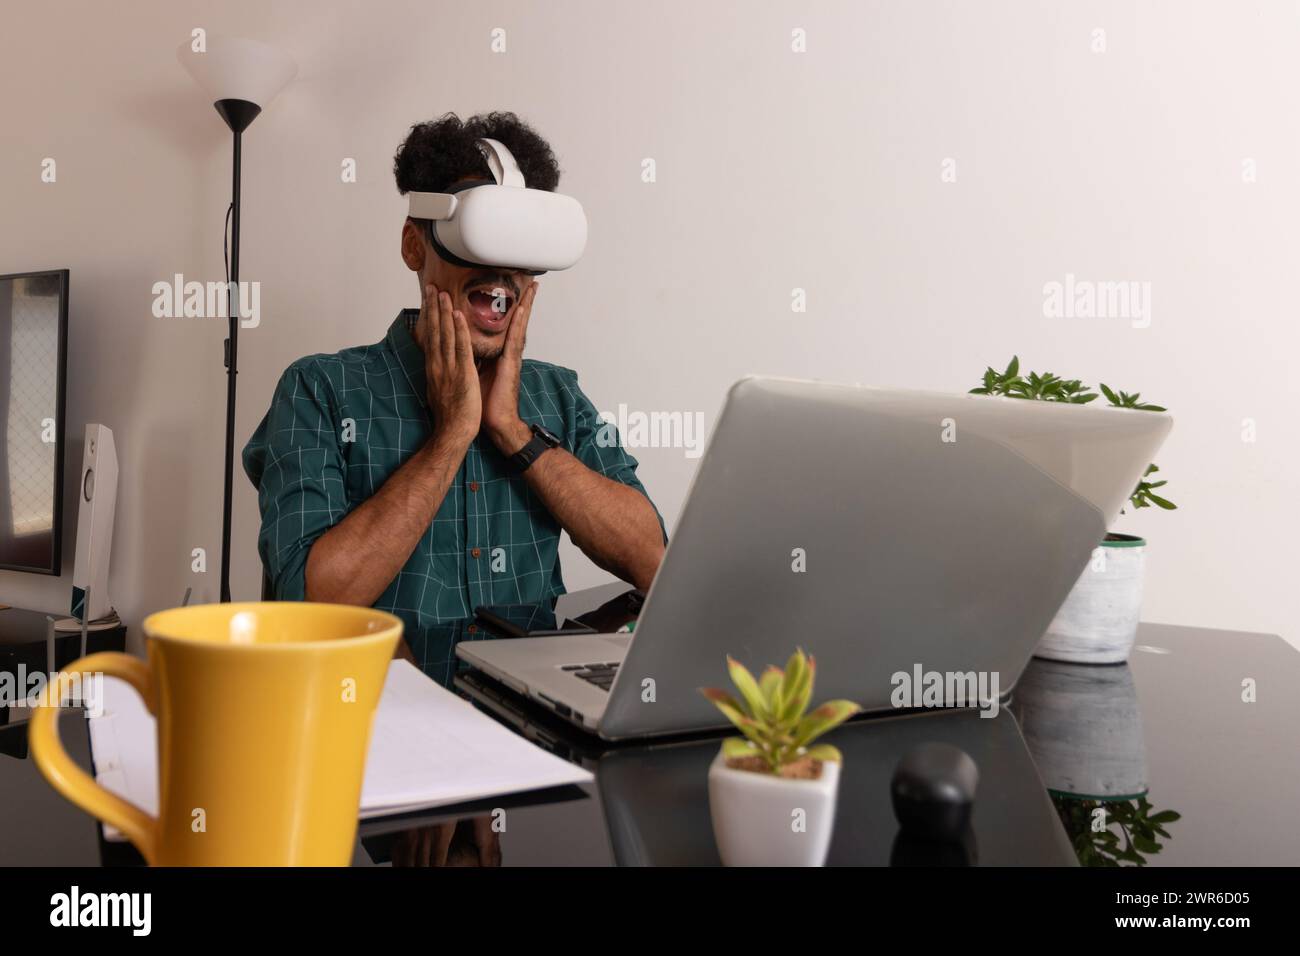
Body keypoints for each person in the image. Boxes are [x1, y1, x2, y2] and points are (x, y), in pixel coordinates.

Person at [243, 112, 665, 679]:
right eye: (481, 241)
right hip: (382, 721)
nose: (500, 277)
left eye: (519, 253)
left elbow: (653, 560)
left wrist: (514, 433)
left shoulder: (559, 395)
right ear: (415, 246)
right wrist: (451, 436)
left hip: (534, 720)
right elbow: (311, 605)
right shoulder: (321, 389)